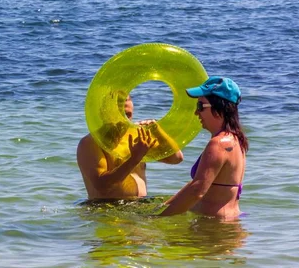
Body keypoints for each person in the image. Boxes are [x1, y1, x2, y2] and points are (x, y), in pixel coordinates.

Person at [160, 76, 248, 219]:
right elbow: (195, 185)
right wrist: (163, 207)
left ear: (219, 108)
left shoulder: (219, 144)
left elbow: (197, 190)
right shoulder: (236, 140)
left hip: (214, 230)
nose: (196, 113)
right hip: (228, 223)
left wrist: (158, 218)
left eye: (200, 106)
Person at [77, 95, 184, 200]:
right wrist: (134, 159)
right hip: (108, 209)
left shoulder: (139, 135)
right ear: (103, 111)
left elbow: (176, 158)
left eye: (126, 99)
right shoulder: (91, 142)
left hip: (139, 206)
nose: (123, 105)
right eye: (117, 102)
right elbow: (102, 186)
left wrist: (157, 130)